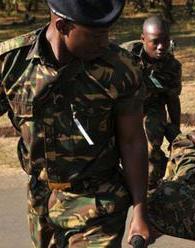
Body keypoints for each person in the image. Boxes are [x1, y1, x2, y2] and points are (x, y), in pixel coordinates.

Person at [0, 0, 150, 247]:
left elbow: (132, 140)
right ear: (63, 26)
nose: (105, 42)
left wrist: (140, 211)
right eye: (96, 35)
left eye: (107, 33)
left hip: (98, 200)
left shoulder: (120, 68)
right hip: (41, 201)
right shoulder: (11, 63)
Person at [121, 16, 182, 189]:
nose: (162, 47)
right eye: (155, 42)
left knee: (150, 147)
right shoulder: (124, 56)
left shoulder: (172, 66)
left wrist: (175, 134)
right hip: (123, 106)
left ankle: (150, 187)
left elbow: (172, 99)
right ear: (143, 39)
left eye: (165, 41)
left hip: (152, 107)